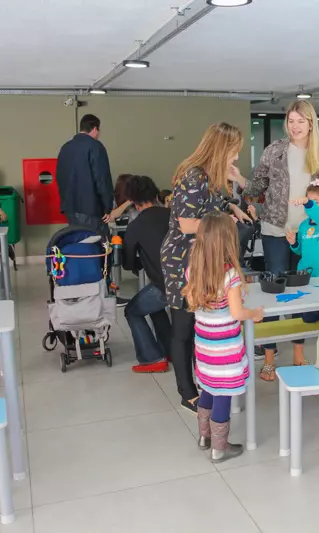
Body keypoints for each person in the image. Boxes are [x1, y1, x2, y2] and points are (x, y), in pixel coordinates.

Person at [161, 122, 252, 413]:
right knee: (185, 327)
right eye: (234, 151)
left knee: (204, 322)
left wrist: (232, 207)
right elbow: (187, 224)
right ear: (221, 148)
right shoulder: (194, 176)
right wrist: (226, 223)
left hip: (205, 256)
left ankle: (206, 382)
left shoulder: (210, 176)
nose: (236, 157)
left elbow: (213, 204)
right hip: (183, 259)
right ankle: (187, 391)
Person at [244, 100, 319, 360]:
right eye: (291, 121)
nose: (295, 126)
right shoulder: (275, 150)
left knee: (301, 290)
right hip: (276, 228)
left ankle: (299, 353)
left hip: (308, 233)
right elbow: (257, 184)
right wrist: (239, 181)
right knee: (274, 287)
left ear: (311, 124)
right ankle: (268, 354)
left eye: (301, 121)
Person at [182, 212, 264, 463]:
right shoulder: (230, 275)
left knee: (208, 387)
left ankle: (204, 437)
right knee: (223, 394)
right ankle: (220, 447)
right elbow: (237, 312)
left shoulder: (193, 271)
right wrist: (254, 314)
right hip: (226, 348)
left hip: (204, 346)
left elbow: (194, 303)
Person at [259, 180, 319, 381]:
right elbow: (301, 251)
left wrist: (307, 203)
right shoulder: (304, 226)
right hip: (307, 281)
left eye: (316, 201)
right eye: (309, 199)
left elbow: (318, 215)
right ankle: (296, 356)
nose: (310, 204)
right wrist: (293, 243)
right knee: (304, 316)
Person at [122, 175, 172, 373]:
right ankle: (169, 350)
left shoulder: (135, 226)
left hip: (164, 286)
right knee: (153, 306)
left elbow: (127, 264)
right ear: (156, 195)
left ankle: (152, 358)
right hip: (187, 280)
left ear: (134, 202)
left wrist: (140, 262)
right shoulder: (173, 215)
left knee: (132, 311)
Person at [55, 114, 114, 238]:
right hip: (91, 210)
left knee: (79, 242)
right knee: (99, 244)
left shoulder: (65, 148)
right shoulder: (95, 146)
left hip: (70, 209)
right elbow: (102, 179)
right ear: (95, 129)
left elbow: (60, 177)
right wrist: (107, 207)